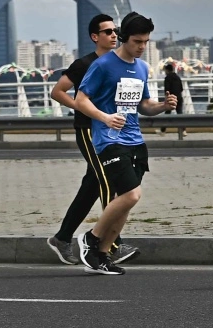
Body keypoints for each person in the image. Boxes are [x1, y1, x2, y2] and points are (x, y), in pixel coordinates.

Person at [73, 11, 178, 275]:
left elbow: (143, 105)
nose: (142, 47)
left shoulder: (142, 68)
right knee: (132, 194)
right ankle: (91, 238)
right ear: (123, 38)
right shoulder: (103, 65)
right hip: (108, 140)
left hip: (135, 140)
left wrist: (163, 106)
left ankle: (102, 254)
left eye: (145, 42)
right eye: (136, 41)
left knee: (126, 199)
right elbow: (81, 100)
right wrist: (104, 118)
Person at [45, 14, 140, 266]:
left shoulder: (118, 63)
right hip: (89, 130)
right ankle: (111, 245)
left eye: (115, 31)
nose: (113, 35)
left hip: (113, 132)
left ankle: (62, 238)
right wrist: (83, 107)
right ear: (94, 37)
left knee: (91, 186)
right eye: (107, 31)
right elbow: (57, 91)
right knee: (107, 182)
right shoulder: (85, 63)